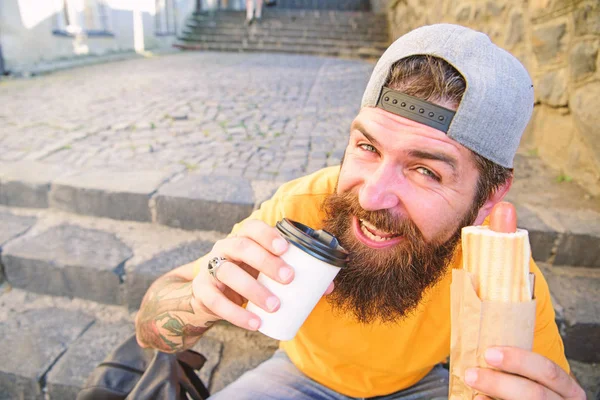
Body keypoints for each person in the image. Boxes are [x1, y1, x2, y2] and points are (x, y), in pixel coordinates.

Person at [135, 24, 586, 399]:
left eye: (426, 171)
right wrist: (197, 301)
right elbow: (150, 327)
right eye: (367, 146)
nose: (371, 197)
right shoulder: (302, 210)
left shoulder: (500, 269)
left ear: (489, 197)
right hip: (298, 376)